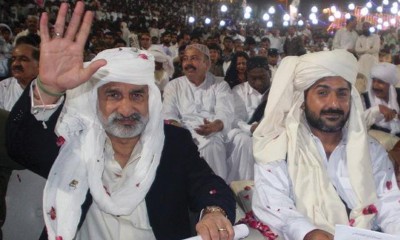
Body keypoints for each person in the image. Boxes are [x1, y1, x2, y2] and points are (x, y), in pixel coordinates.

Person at [6, 2, 235, 240]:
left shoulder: (174, 144)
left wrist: (214, 212)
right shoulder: (75, 143)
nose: (126, 109)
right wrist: (48, 88)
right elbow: (19, 146)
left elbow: (210, 185)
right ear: (96, 100)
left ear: (151, 100)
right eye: (113, 95)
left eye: (137, 95)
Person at [252, 50, 400, 240]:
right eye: (322, 93)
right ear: (302, 100)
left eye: (342, 94)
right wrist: (308, 232)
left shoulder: (371, 151)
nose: (334, 104)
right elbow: (273, 203)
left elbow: (390, 206)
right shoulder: (278, 148)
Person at [162, 44, 234, 181]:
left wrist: (215, 125)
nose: (188, 63)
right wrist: (178, 129)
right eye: (185, 59)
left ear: (207, 64)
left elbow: (225, 111)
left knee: (213, 142)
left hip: (214, 130)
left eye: (194, 58)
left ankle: (217, 192)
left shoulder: (220, 84)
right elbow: (168, 113)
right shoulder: (174, 85)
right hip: (183, 129)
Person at [226, 56, 271, 182]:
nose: (258, 81)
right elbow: (235, 118)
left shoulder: (277, 90)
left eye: (262, 77)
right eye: (253, 78)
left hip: (271, 132)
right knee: (244, 141)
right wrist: (250, 128)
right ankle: (243, 186)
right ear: (247, 76)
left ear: (270, 73)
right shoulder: (238, 90)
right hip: (245, 131)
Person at [363, 62, 400, 137]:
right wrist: (378, 109)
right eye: (373, 81)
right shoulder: (364, 99)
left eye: (380, 82)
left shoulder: (398, 94)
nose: (375, 86)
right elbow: (357, 124)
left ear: (390, 86)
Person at [0, 41, 39, 110]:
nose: (15, 64)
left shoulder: (51, 90)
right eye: (13, 59)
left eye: (23, 59)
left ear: (38, 65)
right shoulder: (3, 88)